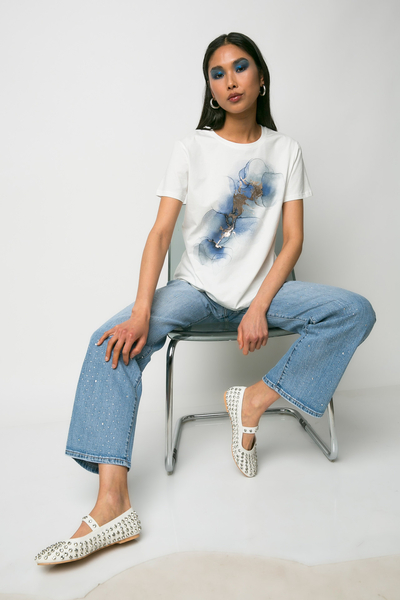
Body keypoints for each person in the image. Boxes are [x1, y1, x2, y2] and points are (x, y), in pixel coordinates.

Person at [35, 32, 376, 565]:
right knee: (109, 342)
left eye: (240, 67)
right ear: (211, 89)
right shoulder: (191, 148)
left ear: (261, 78)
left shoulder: (285, 150)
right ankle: (113, 505)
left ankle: (254, 400)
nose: (230, 80)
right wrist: (142, 312)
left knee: (354, 310)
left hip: (265, 293)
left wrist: (260, 305)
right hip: (195, 291)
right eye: (218, 73)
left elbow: (293, 241)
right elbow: (159, 234)